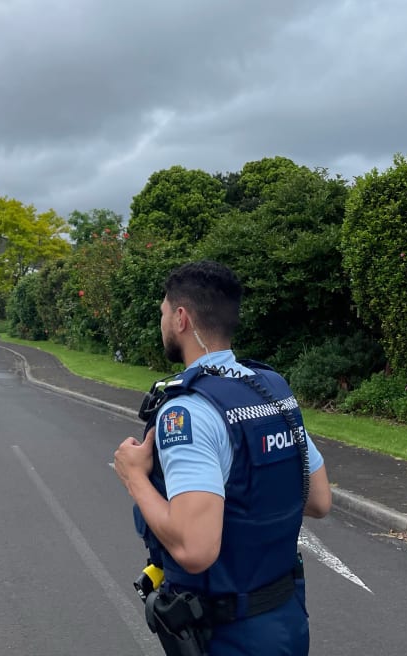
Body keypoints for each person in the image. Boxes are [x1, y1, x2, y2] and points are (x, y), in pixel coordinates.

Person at [113, 260, 331, 656]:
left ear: (181, 318)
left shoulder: (188, 411)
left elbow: (196, 550)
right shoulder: (270, 388)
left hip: (229, 635)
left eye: (163, 312)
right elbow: (318, 500)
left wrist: (134, 478)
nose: (162, 321)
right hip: (287, 621)